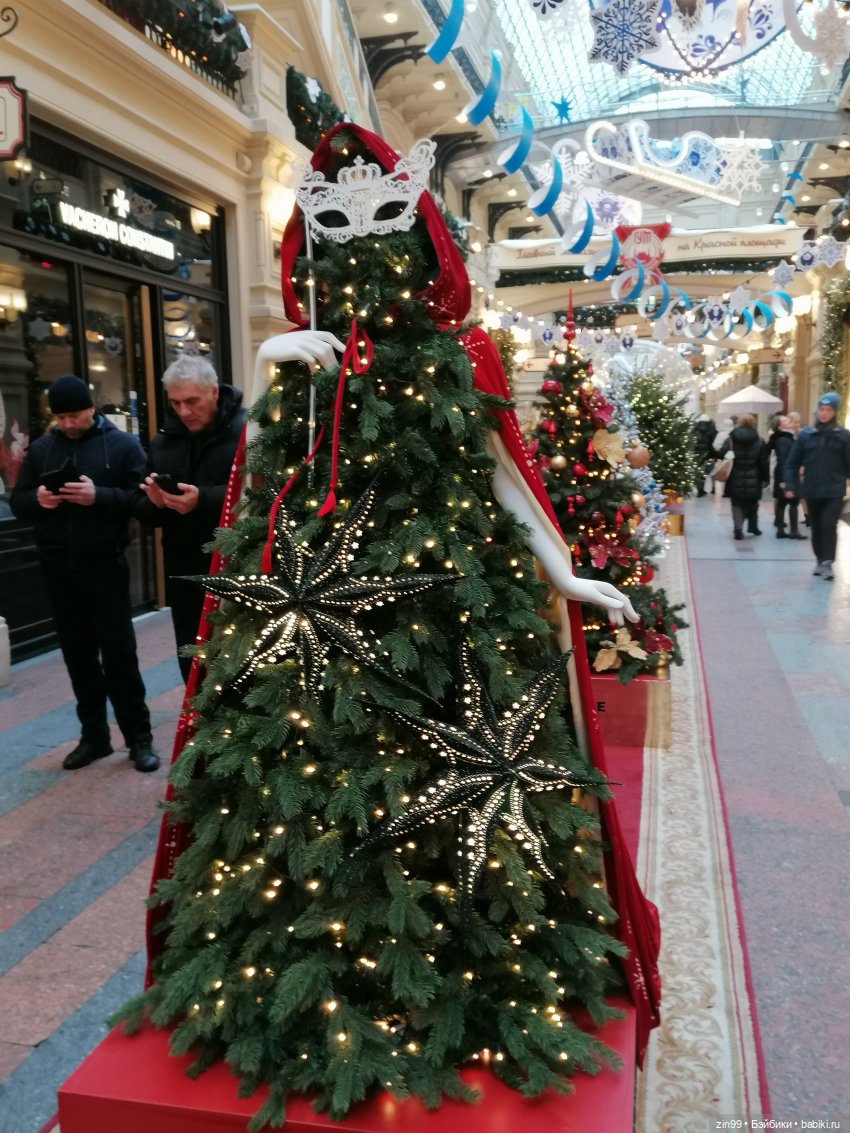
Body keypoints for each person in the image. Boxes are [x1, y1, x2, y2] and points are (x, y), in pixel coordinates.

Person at [132, 124, 660, 1118]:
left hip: (445, 636)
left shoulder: (455, 354)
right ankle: (294, 962)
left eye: (383, 219)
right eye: (337, 223)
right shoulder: (306, 361)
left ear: (421, 238)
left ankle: (466, 967)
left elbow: (503, 478)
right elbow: (258, 502)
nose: (364, 246)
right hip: (309, 654)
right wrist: (273, 365)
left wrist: (565, 570)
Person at [10, 375, 158, 772]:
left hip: (105, 565)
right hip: (58, 567)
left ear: (91, 409)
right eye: (61, 417)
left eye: (75, 415)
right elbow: (19, 500)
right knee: (78, 657)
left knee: (119, 655)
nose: (69, 424)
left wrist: (99, 496)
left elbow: (142, 500)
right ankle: (94, 738)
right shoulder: (43, 449)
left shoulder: (123, 446)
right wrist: (38, 500)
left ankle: (138, 738)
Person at [135, 355, 244, 681]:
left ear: (213, 392)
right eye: (176, 402)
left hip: (237, 564)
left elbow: (262, 493)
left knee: (238, 657)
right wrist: (155, 503)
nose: (183, 411)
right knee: (193, 656)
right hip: (183, 569)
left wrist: (203, 500)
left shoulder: (246, 429)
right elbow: (139, 506)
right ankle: (196, 726)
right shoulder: (163, 441)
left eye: (192, 401)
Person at [785, 391, 850, 580]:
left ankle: (828, 562)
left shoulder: (844, 437)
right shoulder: (806, 436)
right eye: (822, 409)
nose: (824, 413)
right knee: (817, 526)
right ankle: (820, 560)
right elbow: (792, 463)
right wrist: (790, 485)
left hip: (834, 490)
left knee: (829, 524)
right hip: (812, 490)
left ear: (835, 412)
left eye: (828, 410)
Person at [716, 412, 769, 540]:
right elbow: (763, 461)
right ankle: (752, 526)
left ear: (739, 423)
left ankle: (738, 529)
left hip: (735, 475)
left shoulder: (731, 438)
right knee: (752, 502)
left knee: (736, 503)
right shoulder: (760, 440)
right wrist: (765, 478)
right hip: (754, 476)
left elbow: (721, 453)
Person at [766, 415, 805, 539]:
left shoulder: (785, 437)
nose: (789, 421)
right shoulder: (783, 439)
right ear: (780, 426)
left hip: (785, 472)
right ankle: (792, 531)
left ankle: (782, 530)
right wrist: (785, 478)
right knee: (792, 502)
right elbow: (785, 459)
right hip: (786, 473)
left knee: (783, 502)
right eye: (786, 421)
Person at [692, 413, 717, 496]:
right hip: (708, 455)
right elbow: (714, 445)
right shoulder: (712, 430)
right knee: (709, 470)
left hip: (697, 455)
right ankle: (713, 488)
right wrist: (714, 456)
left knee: (698, 472)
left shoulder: (695, 430)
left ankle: (700, 489)